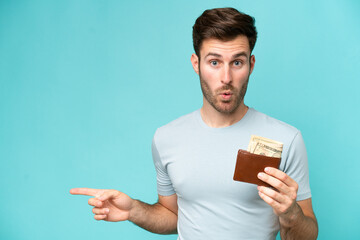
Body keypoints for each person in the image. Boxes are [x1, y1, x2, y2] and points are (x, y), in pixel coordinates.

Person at [70, 7, 318, 239]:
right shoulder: (166, 138)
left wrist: (291, 214)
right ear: (196, 64)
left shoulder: (286, 138)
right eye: (214, 62)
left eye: (237, 62)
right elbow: (172, 215)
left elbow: (307, 234)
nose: (226, 78)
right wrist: (134, 210)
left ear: (251, 65)